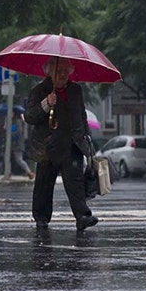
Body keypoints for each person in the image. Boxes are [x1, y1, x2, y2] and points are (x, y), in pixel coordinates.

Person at [24, 56, 97, 231]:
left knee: (75, 183)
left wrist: (86, 138)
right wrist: (46, 104)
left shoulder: (76, 90)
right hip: (48, 146)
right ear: (49, 72)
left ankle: (82, 216)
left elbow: (81, 115)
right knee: (44, 184)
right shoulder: (40, 90)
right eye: (59, 71)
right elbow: (30, 117)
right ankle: (41, 217)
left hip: (72, 145)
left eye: (66, 71)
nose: (63, 74)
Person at [10, 112, 35, 180]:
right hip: (12, 144)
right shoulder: (10, 122)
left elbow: (19, 132)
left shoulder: (18, 122)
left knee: (19, 159)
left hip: (17, 144)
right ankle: (9, 172)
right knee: (10, 158)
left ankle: (29, 172)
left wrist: (11, 134)